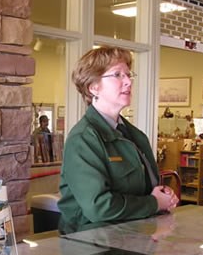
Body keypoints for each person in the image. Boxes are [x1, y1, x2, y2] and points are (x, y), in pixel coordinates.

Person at [57, 46, 178, 234]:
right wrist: (153, 203)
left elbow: (144, 189)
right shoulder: (83, 139)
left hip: (135, 241)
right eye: (117, 75)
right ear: (93, 87)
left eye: (128, 75)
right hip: (92, 250)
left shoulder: (135, 136)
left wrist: (162, 195)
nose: (128, 82)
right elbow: (98, 206)